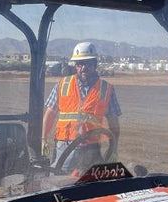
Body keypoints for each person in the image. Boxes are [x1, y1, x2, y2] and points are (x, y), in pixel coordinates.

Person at [42, 41, 121, 173]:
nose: (83, 68)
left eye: (88, 63)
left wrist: (114, 148)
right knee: (59, 181)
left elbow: (114, 123)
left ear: (94, 64)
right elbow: (50, 113)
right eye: (80, 64)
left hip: (92, 148)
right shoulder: (63, 84)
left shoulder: (106, 89)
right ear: (76, 66)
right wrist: (43, 138)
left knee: (91, 184)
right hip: (65, 146)